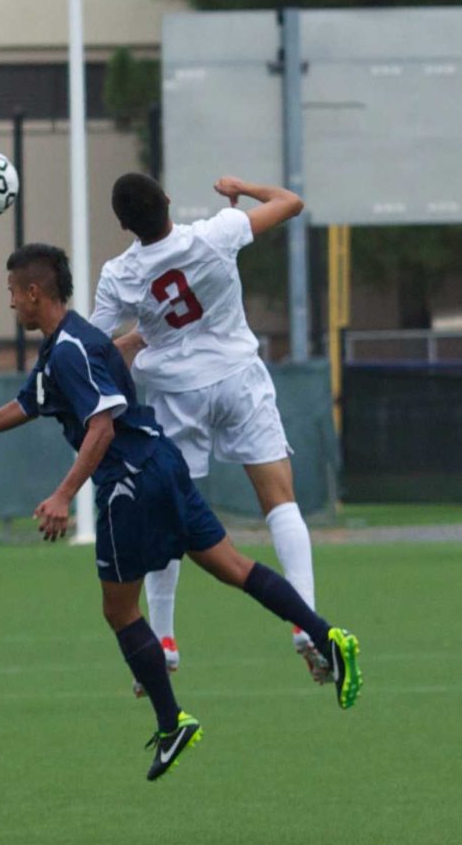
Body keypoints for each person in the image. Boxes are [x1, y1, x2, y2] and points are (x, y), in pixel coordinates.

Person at [0, 243, 362, 782]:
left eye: (13, 293)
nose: (11, 303)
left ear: (35, 293)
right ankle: (326, 637)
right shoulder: (78, 338)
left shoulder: (68, 351)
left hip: (129, 484)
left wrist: (63, 495)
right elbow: (27, 403)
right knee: (235, 568)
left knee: (117, 610)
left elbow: (102, 427)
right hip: (163, 462)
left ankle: (171, 719)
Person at [90, 173, 329, 689]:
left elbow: (96, 346)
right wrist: (241, 187)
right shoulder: (216, 233)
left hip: (177, 395)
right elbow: (290, 202)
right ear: (168, 201)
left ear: (124, 224)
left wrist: (135, 341)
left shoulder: (119, 274)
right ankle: (306, 622)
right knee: (280, 501)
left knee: (169, 511)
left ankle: (165, 638)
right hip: (239, 378)